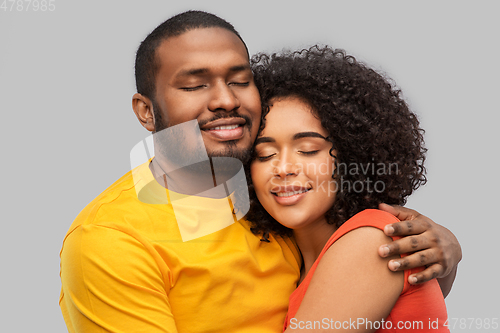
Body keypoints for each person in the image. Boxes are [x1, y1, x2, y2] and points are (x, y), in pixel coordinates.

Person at [59, 11, 461, 333]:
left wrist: (445, 254)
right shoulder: (111, 240)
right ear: (147, 111)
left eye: (239, 80)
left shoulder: (281, 215)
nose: (224, 100)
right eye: (195, 85)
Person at [249, 45, 451, 332]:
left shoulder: (371, 242)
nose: (282, 168)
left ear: (352, 156)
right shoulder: (291, 264)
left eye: (308, 150)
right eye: (264, 155)